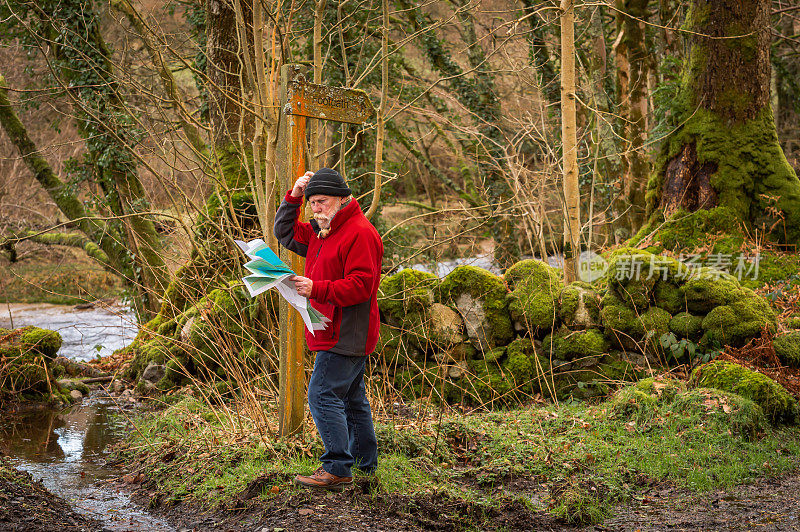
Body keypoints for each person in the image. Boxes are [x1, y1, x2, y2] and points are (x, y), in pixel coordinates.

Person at [274, 167, 383, 491]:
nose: (315, 209)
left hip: (347, 332)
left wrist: (316, 288)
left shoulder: (360, 233)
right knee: (351, 399)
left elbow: (362, 286)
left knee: (321, 394)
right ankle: (366, 463)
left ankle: (337, 468)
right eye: (312, 203)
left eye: (321, 202)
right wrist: (294, 194)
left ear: (342, 198)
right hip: (331, 329)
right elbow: (284, 232)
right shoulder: (324, 230)